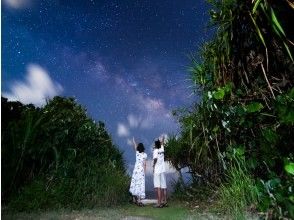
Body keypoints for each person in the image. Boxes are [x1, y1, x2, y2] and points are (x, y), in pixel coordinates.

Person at [129, 137, 147, 207]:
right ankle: (139, 201)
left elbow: (135, 146)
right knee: (140, 185)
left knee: (135, 183)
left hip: (136, 170)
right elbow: (145, 164)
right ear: (143, 148)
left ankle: (134, 199)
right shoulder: (144, 155)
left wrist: (133, 141)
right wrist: (144, 173)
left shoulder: (137, 153)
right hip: (141, 171)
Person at [153, 136, 167, 208]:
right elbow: (162, 143)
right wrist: (162, 138)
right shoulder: (162, 148)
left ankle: (159, 203)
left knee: (158, 187)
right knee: (163, 186)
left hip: (157, 170)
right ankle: (165, 202)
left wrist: (153, 166)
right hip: (162, 170)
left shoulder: (155, 150)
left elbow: (155, 159)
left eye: (154, 144)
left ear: (156, 145)